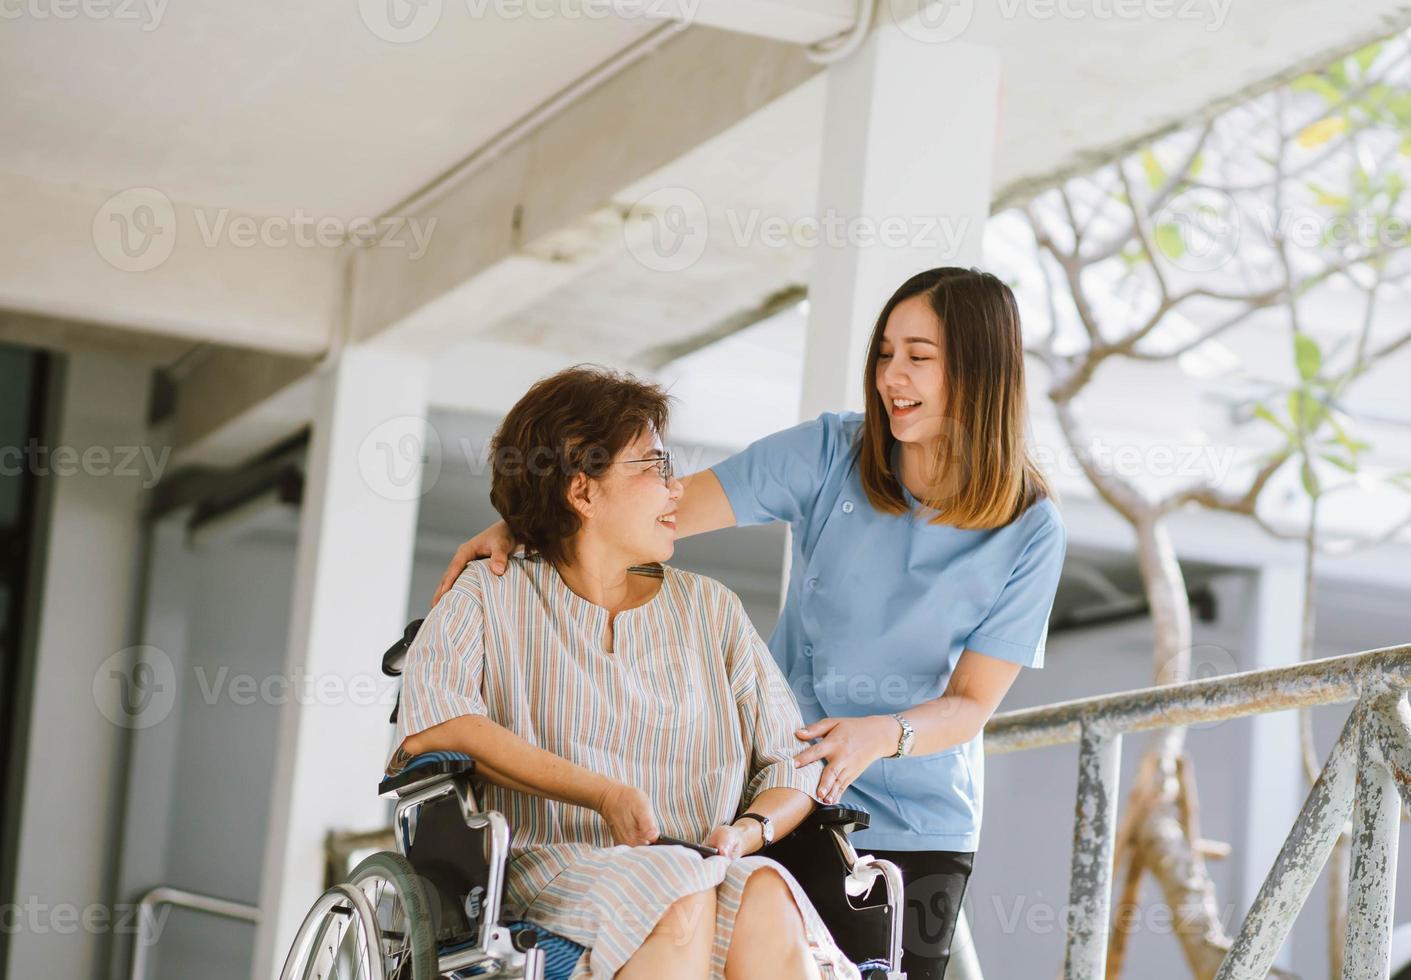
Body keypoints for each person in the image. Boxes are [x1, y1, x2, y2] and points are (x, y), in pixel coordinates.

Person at [434, 267, 1069, 980]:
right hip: (781, 785)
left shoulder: (1030, 529)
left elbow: (970, 703)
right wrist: (526, 519)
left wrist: (879, 734)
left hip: (915, 814)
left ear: (982, 373)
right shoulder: (833, 453)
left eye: (918, 357)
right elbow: (654, 509)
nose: (892, 376)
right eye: (885, 353)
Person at [390, 365, 861, 980]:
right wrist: (602, 794)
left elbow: (791, 763)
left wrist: (749, 831)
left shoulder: (710, 610)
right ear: (582, 493)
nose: (676, 491)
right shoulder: (486, 593)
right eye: (655, 467)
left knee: (767, 894)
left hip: (704, 860)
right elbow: (440, 729)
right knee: (675, 891)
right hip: (549, 867)